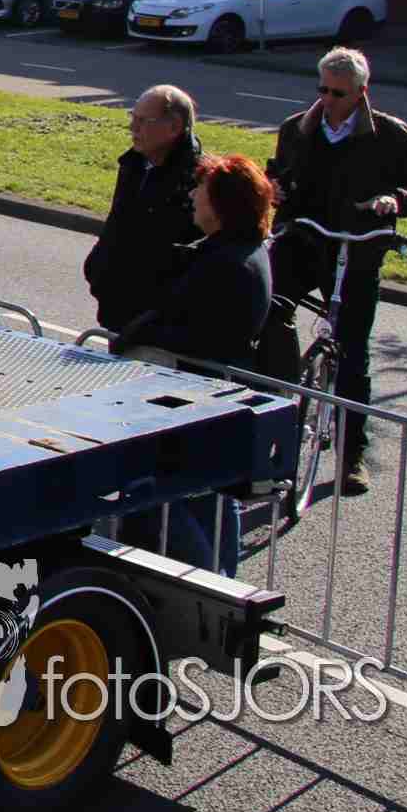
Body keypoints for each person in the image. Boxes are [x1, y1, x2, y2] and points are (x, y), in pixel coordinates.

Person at [265, 47, 407, 495]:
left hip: (356, 251)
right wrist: (275, 189)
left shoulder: (391, 135)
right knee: (269, 315)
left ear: (362, 91)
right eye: (322, 90)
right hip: (303, 242)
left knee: (353, 355)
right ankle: (275, 411)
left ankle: (351, 456)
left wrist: (395, 200)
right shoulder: (296, 129)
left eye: (338, 93)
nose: (328, 100)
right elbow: (276, 174)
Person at [111, 152, 274, 573]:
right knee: (211, 498)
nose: (193, 197)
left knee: (165, 498)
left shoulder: (227, 265)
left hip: (195, 402)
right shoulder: (239, 251)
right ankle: (224, 580)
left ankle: (208, 585)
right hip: (216, 402)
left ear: (221, 205)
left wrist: (132, 337)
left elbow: (190, 331)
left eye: (201, 190)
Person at [83, 85, 203, 334]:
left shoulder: (198, 179)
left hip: (156, 322)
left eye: (143, 121)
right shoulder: (133, 165)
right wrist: (98, 268)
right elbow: (117, 224)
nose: (132, 128)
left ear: (174, 127)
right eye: (133, 117)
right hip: (117, 306)